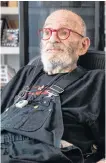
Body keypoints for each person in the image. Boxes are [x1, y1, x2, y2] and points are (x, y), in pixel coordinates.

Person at [1, 9, 105, 163]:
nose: (53, 39)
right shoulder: (25, 74)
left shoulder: (97, 81)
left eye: (63, 32)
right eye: (47, 32)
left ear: (83, 45)